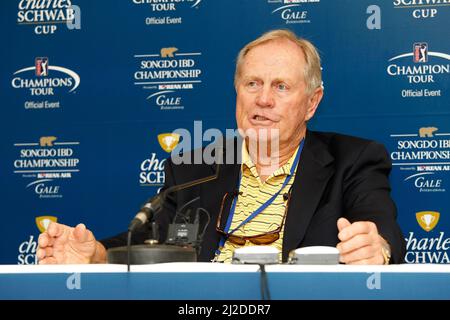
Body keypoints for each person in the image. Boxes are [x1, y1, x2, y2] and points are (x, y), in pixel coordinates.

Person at [37, 29, 406, 265]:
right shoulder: (193, 167)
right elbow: (153, 240)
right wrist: (95, 254)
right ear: (237, 92)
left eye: (280, 87)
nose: (263, 99)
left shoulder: (353, 160)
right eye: (252, 84)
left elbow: (383, 229)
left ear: (311, 102)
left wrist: (378, 248)